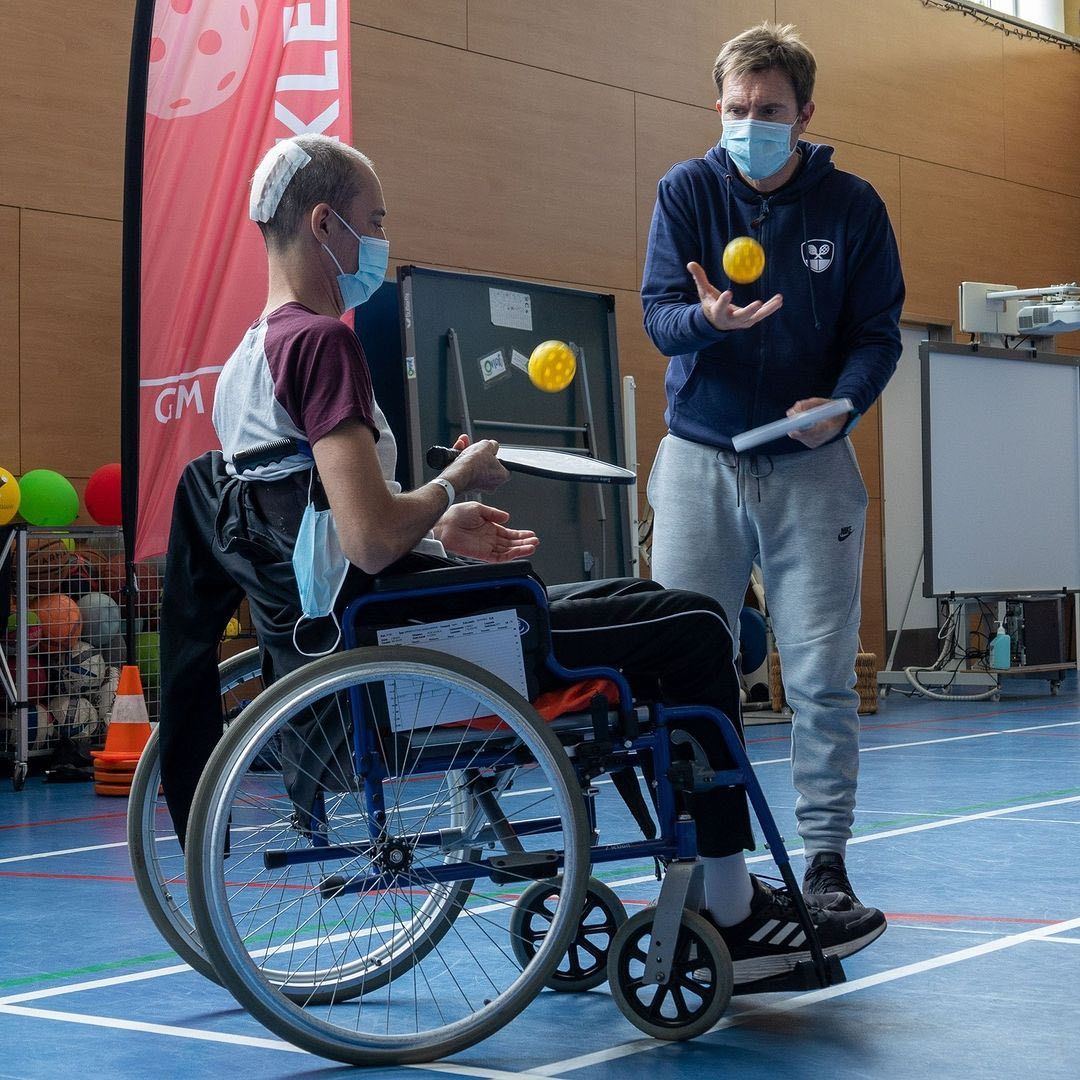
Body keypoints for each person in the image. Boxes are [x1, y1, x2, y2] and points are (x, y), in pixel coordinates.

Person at [157, 132, 885, 987]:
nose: (380, 242)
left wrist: (440, 526)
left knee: (636, 596)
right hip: (418, 644)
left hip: (377, 623)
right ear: (324, 224)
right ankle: (729, 905)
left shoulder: (246, 358)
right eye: (373, 222)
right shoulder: (320, 345)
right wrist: (451, 482)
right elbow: (366, 538)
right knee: (692, 626)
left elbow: (319, 536)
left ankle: (709, 884)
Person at [641, 22, 905, 910]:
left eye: (769, 110)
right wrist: (706, 323)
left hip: (810, 465)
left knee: (822, 673)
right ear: (718, 106)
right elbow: (657, 315)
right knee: (681, 666)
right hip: (698, 461)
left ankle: (825, 862)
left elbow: (877, 337)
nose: (750, 122)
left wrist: (840, 406)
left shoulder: (853, 207)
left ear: (804, 115)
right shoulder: (685, 190)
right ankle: (703, 861)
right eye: (736, 107)